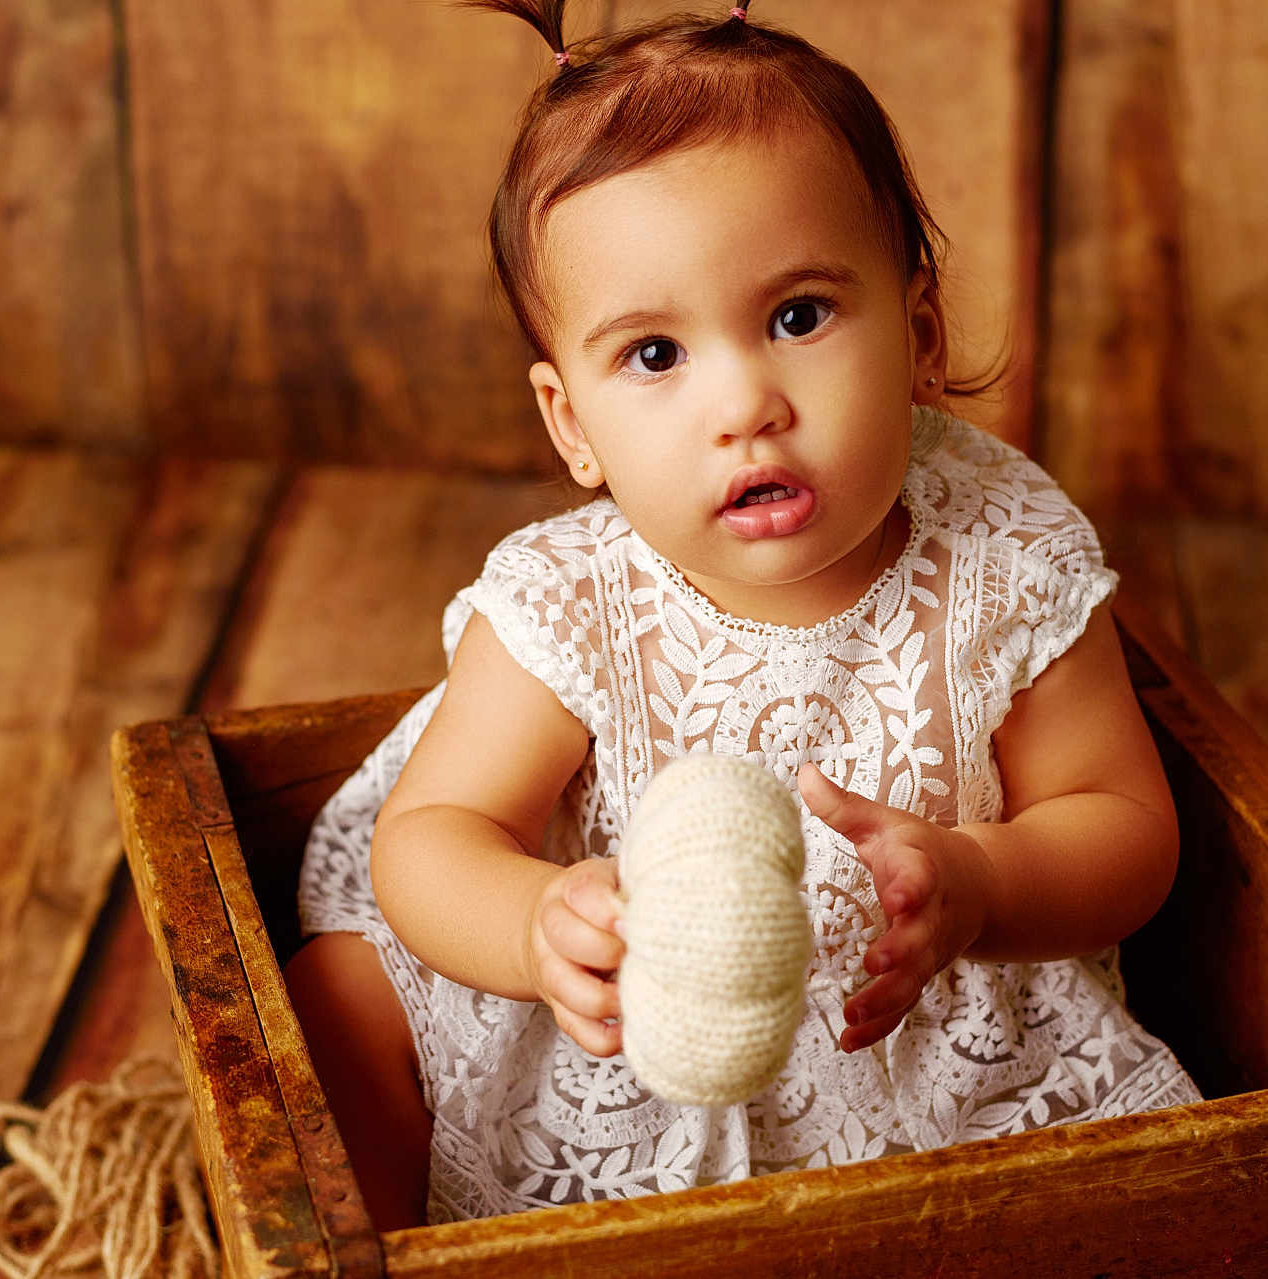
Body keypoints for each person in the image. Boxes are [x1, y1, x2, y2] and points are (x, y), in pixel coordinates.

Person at [286, 0, 1199, 1229]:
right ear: (573, 427)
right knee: (335, 998)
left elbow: (1126, 828)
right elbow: (431, 836)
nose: (745, 403)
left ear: (919, 334)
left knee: (1121, 1206)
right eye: (654, 355)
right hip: (632, 1037)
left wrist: (983, 883)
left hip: (925, 1044)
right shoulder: (570, 603)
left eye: (798, 316)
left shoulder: (1000, 556)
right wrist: (538, 921)